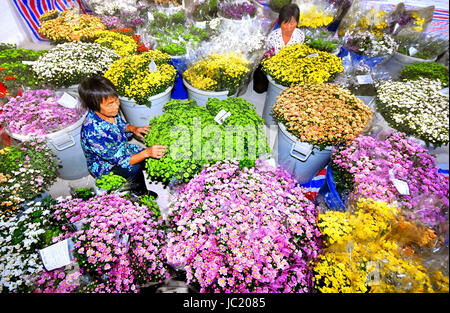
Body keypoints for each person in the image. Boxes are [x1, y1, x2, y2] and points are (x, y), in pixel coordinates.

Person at [78, 75, 167, 197]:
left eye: (116, 100)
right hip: (106, 166)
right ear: (94, 106)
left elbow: (121, 125)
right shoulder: (93, 133)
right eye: (110, 103)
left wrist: (134, 129)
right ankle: (139, 193)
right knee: (134, 168)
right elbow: (122, 161)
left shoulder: (110, 111)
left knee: (150, 156)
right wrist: (147, 153)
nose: (117, 105)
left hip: (122, 149)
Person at [253, 3, 304, 93]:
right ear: (280, 23)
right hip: (273, 66)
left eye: (292, 23)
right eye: (285, 23)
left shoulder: (299, 35)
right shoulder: (273, 36)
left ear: (297, 22)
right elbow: (266, 55)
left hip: (289, 67)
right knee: (260, 89)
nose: (288, 28)